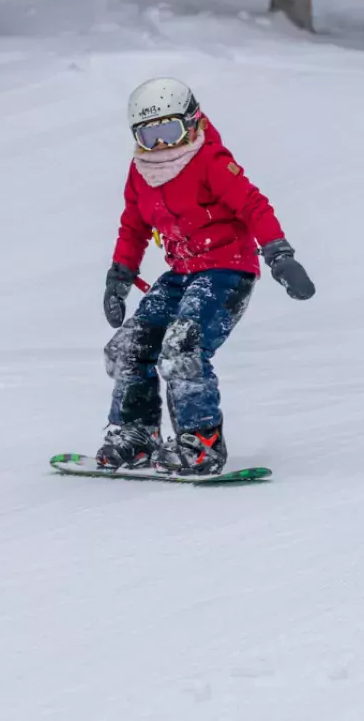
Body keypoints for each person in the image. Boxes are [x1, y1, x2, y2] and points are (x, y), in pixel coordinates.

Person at [98, 78, 315, 474]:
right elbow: (133, 225)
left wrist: (279, 255)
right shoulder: (142, 171)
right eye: (150, 135)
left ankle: (201, 443)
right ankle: (136, 434)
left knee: (183, 347)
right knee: (128, 346)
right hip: (183, 272)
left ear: (192, 122)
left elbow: (254, 205)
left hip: (226, 271)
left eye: (170, 131)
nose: (162, 145)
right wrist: (120, 276)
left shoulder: (209, 161)